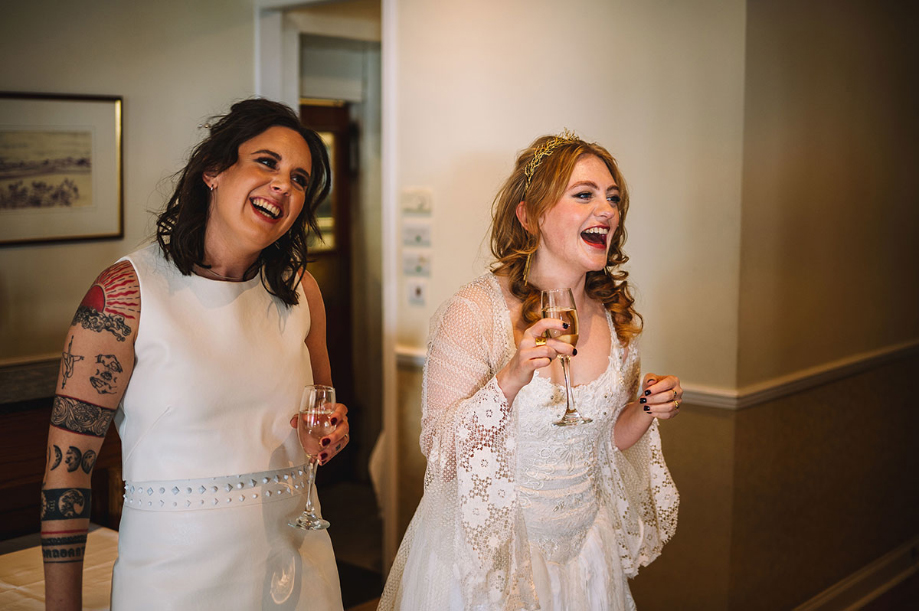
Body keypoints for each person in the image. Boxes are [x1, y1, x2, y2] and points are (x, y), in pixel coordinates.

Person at [40, 99, 350, 610]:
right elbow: (66, 474)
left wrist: (331, 434)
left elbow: (323, 420)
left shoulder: (302, 293)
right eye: (267, 162)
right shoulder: (124, 295)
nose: (283, 185)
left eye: (299, 179)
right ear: (214, 171)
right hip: (176, 580)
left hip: (299, 570)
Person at [380, 132, 680, 610]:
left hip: (585, 554)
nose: (606, 209)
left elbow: (601, 441)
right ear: (529, 215)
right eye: (584, 194)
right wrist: (512, 376)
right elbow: (441, 452)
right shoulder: (474, 312)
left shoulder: (613, 316)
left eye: (613, 198)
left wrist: (646, 407)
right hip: (489, 559)